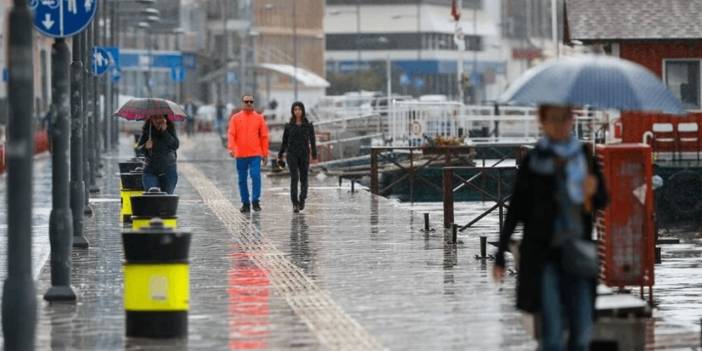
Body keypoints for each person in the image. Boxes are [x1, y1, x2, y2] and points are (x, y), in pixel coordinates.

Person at [493, 105, 608, 351]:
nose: (558, 125)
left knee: (581, 332)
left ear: (571, 120)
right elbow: (516, 210)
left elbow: (602, 200)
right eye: (551, 120)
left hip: (578, 252)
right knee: (552, 333)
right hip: (544, 256)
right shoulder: (534, 162)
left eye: (563, 119)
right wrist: (500, 253)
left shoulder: (585, 158)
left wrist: (594, 192)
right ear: (542, 122)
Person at [227, 95, 269, 213]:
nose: (249, 103)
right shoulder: (235, 118)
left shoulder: (259, 118)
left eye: (251, 101)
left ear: (254, 103)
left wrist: (265, 154)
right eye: (246, 101)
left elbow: (264, 137)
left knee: (256, 176)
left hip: (255, 154)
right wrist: (231, 148)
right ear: (242, 103)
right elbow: (231, 134)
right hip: (240, 154)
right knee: (242, 180)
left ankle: (255, 201)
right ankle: (245, 203)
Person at [278, 102, 317, 213]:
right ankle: (295, 203)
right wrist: (280, 154)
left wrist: (314, 155)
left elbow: (312, 141)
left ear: (303, 110)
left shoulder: (308, 125)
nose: (297, 111)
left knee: (304, 178)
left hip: (304, 154)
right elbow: (284, 142)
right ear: (293, 111)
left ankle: (302, 198)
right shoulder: (288, 126)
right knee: (294, 178)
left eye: (299, 109)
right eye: (295, 109)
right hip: (292, 154)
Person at [135, 114, 180, 194]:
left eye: (160, 117)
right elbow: (138, 150)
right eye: (155, 117)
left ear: (165, 118)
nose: (158, 120)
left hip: (168, 170)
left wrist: (165, 132)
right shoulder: (147, 130)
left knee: (167, 200)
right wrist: (145, 146)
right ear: (151, 118)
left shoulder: (170, 128)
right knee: (152, 195)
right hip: (150, 170)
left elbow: (175, 145)